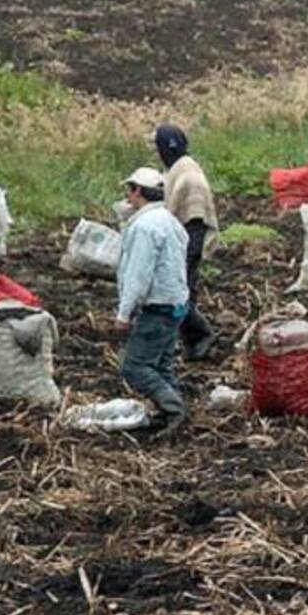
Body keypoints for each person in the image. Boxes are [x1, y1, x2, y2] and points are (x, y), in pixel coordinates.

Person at [115, 167, 190, 431]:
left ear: (137, 191)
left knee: (135, 368)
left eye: (130, 190)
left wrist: (124, 314)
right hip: (176, 303)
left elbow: (138, 273)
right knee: (161, 365)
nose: (128, 196)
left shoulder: (145, 226)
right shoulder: (169, 220)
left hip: (158, 306)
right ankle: (171, 411)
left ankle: (174, 409)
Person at [155, 124, 219, 360]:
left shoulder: (188, 176)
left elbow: (193, 214)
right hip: (185, 238)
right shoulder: (180, 170)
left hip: (190, 240)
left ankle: (203, 335)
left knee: (180, 296)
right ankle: (192, 345)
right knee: (182, 294)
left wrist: (186, 251)